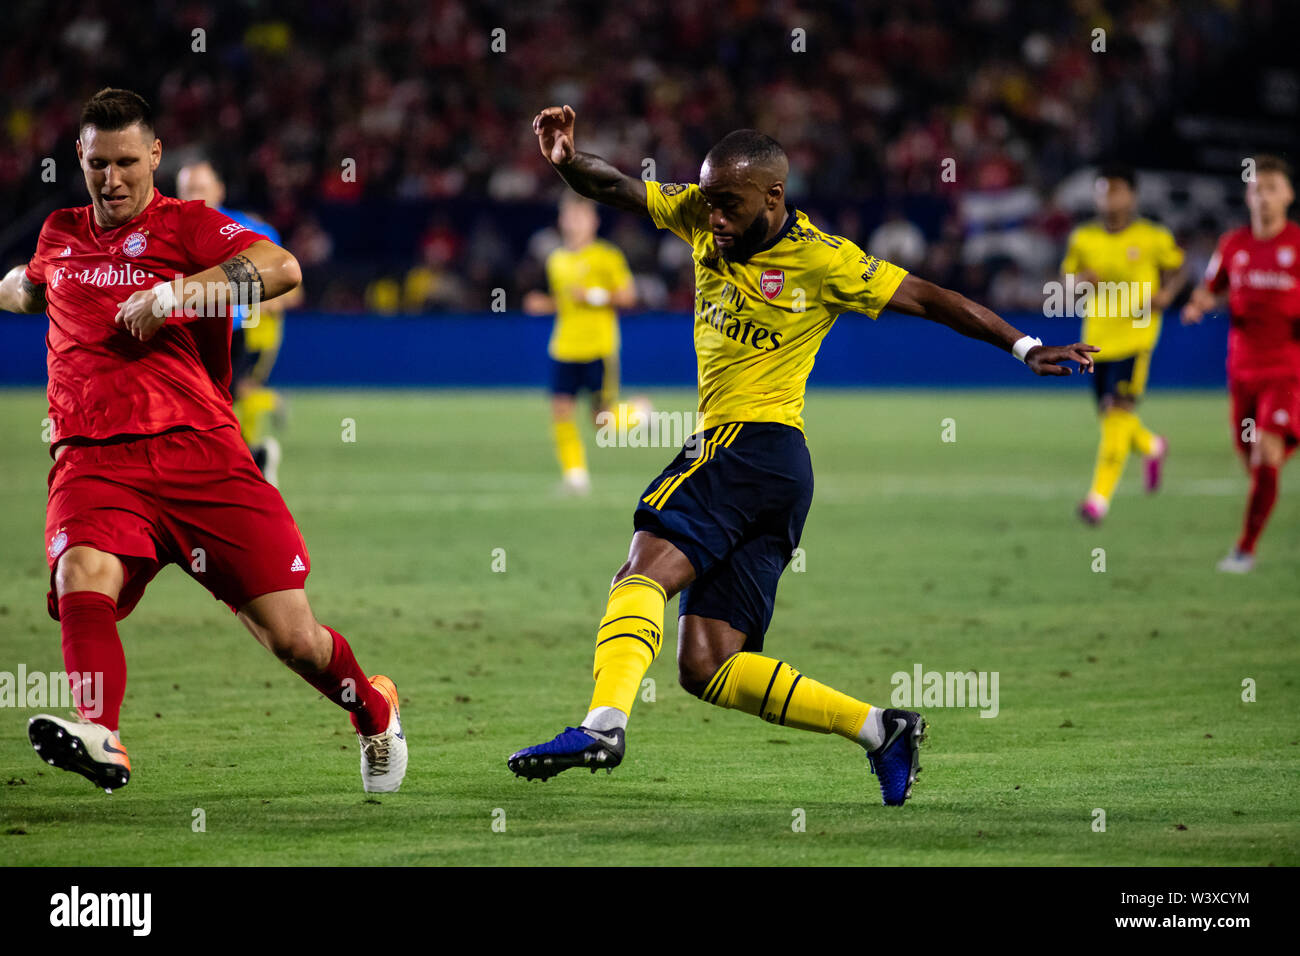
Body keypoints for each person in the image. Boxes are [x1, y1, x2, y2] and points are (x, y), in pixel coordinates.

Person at [507, 105, 1096, 806]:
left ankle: (603, 725)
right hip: (779, 474)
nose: (715, 217)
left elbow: (930, 298)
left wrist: (1025, 347)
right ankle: (882, 729)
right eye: (710, 201)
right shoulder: (699, 212)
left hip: (745, 444)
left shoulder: (822, 258)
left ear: (773, 196)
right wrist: (569, 160)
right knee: (708, 664)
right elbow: (620, 190)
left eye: (730, 204)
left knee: (641, 569)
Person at [0, 88, 406, 793]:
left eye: (128, 161)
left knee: (293, 639)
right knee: (79, 579)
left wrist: (180, 295)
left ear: (155, 155)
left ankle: (374, 711)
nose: (113, 179)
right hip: (95, 460)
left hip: (202, 457)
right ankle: (101, 732)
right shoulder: (58, 234)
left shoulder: (186, 226)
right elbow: (34, 289)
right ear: (80, 158)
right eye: (99, 164)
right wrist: (15, 286)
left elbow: (283, 269)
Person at [1183, 155, 1300, 572]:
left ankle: (1244, 549)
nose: (1264, 197)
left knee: (1266, 454)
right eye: (1256, 190)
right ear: (1248, 197)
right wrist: (1198, 305)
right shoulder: (1233, 245)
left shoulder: (1298, 245)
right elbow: (1209, 288)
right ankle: (1286, 441)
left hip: (1287, 372)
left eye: (1272, 188)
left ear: (1287, 194)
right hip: (1242, 372)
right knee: (1251, 457)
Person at [1060, 164, 1186, 524]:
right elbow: (1064, 282)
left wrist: (1167, 293)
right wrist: (1079, 281)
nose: (1107, 198)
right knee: (1112, 417)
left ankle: (1097, 500)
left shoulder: (1152, 236)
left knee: (1116, 413)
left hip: (1136, 338)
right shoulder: (1084, 238)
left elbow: (1179, 268)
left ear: (1131, 195)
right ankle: (1153, 446)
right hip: (1096, 341)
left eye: (1115, 190)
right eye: (1102, 191)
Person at [176, 160, 300, 487]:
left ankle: (243, 470)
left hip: (234, 333)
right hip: (180, 338)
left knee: (223, 407)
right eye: (187, 190)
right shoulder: (166, 231)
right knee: (204, 413)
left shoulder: (247, 231)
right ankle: (251, 462)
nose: (194, 198)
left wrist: (259, 297)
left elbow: (287, 282)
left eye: (201, 189)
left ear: (220, 190)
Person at [523, 194, 636, 494]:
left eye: (580, 217)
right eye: (569, 217)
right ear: (561, 221)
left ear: (594, 221)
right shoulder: (556, 260)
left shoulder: (607, 256)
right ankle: (575, 476)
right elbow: (564, 303)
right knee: (560, 410)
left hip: (598, 347)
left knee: (602, 421)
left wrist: (592, 296)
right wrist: (544, 304)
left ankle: (639, 414)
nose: (574, 223)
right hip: (564, 346)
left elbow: (628, 297)